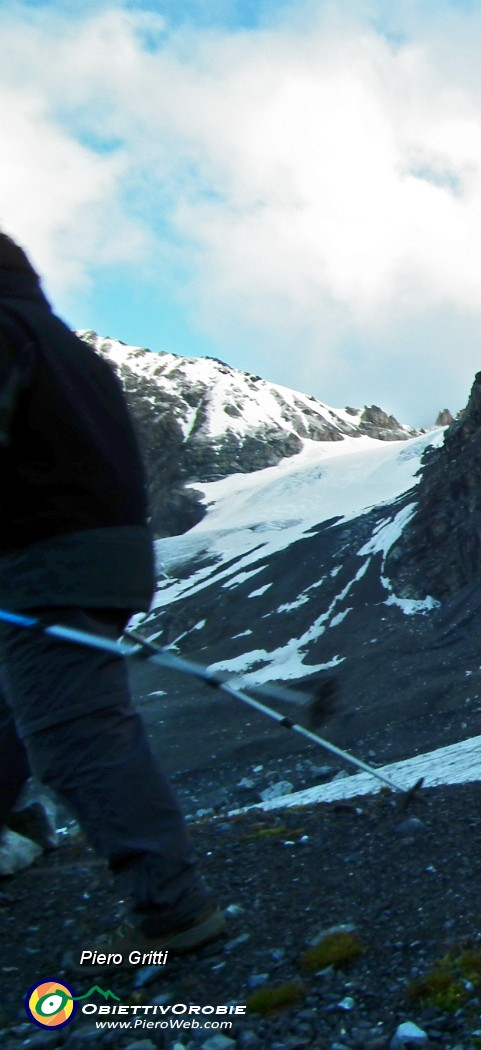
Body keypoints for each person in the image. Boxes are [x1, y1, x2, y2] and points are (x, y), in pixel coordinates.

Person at [0, 230, 224, 968]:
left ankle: (172, 910)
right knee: (21, 699)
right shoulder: (66, 345)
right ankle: (19, 830)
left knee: (73, 732)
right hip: (101, 553)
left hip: (44, 559)